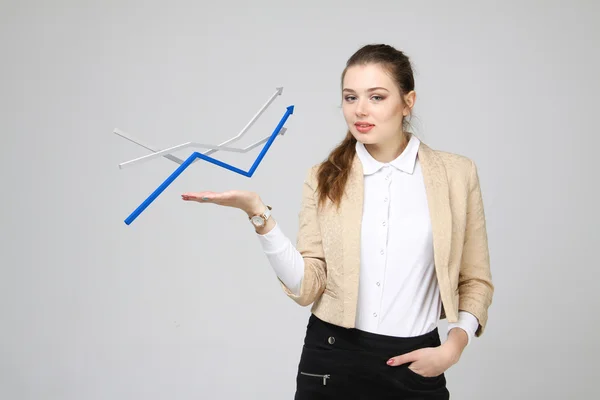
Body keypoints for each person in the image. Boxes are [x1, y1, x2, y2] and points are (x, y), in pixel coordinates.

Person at [181, 43, 494, 399]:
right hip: (331, 359)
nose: (360, 109)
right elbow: (308, 287)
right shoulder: (323, 177)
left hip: (416, 363)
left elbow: (476, 280)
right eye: (350, 97)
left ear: (408, 102)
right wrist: (259, 215)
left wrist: (452, 348)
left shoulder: (456, 174)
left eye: (376, 97)